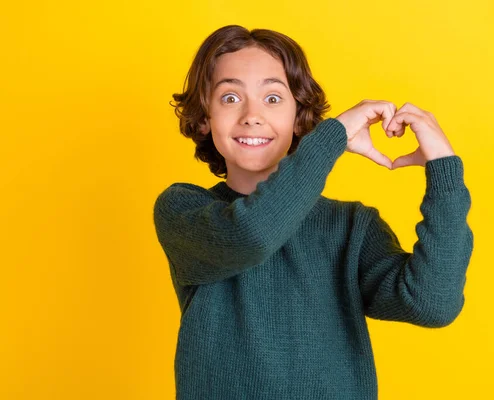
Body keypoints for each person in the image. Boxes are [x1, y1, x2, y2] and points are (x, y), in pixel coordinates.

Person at [153, 24, 474, 400]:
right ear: (205, 117)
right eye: (230, 98)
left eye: (273, 99)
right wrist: (331, 139)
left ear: (299, 115)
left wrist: (445, 173)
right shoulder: (183, 209)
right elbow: (252, 234)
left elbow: (432, 304)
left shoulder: (351, 226)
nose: (252, 115)